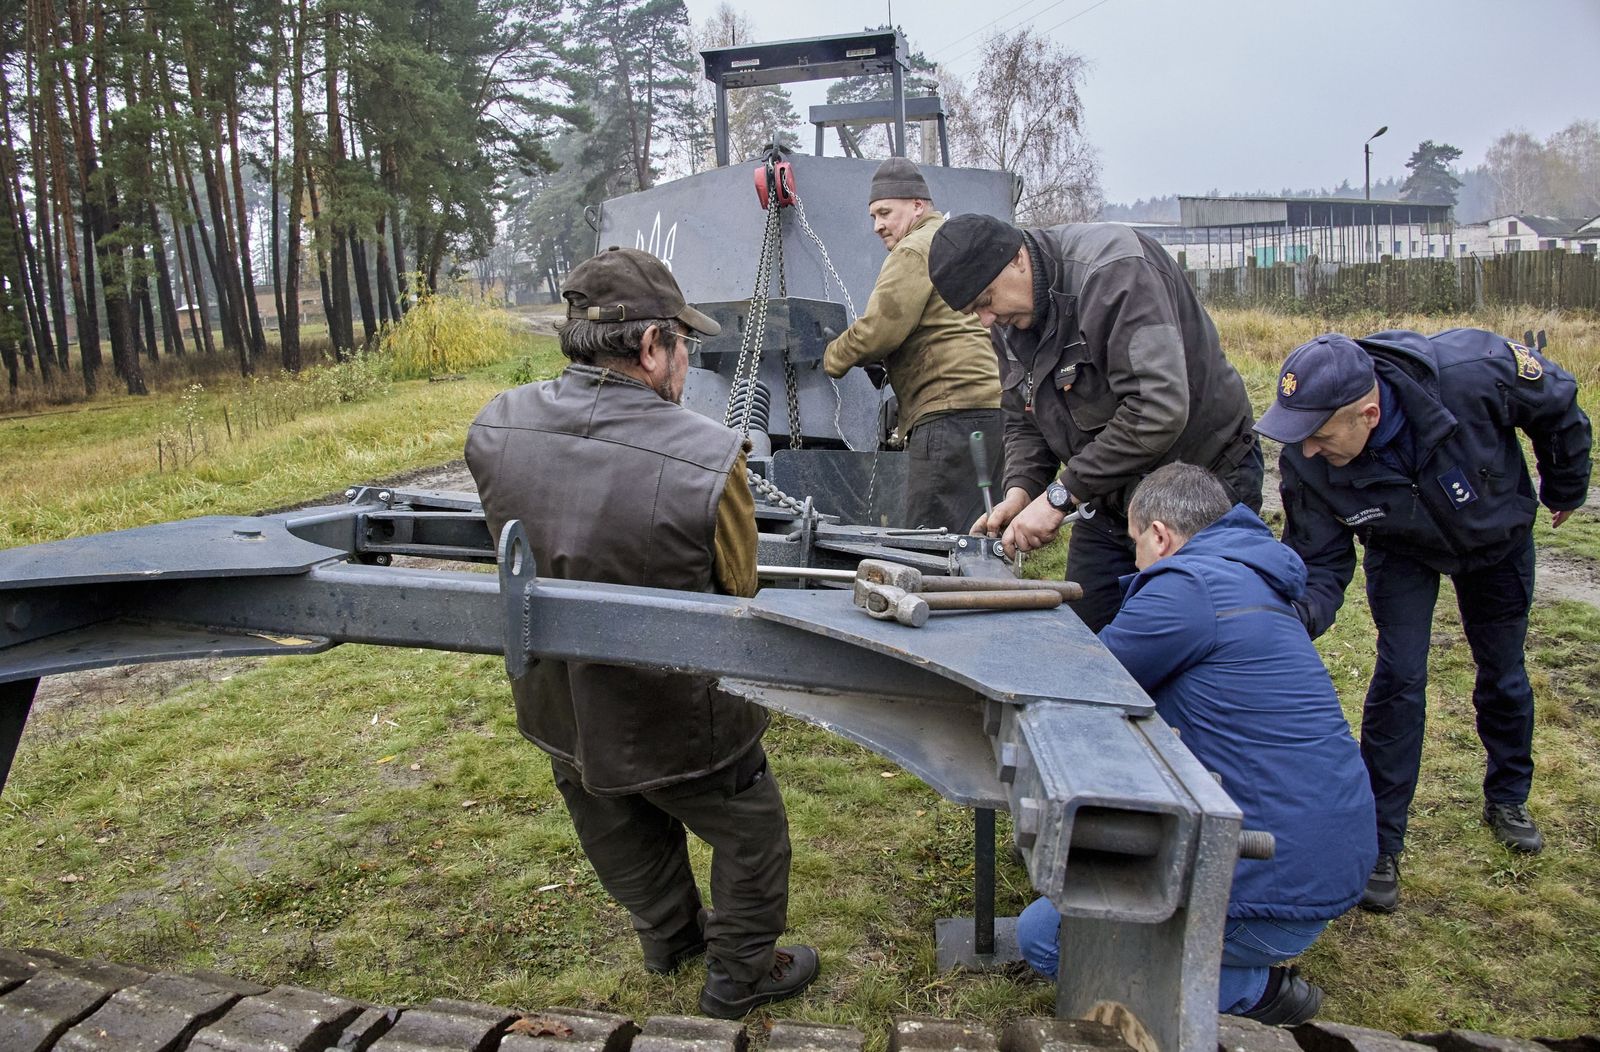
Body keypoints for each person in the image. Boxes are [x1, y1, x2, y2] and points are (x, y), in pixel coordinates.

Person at [464, 247, 818, 1019]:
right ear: (653, 347)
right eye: (684, 341)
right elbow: (740, 588)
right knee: (752, 833)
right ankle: (738, 979)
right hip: (682, 721)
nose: (687, 357)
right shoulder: (710, 457)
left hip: (558, 701)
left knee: (611, 815)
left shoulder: (494, 426)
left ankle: (668, 941)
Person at [1015, 463, 1375, 1027]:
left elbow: (1086, 681)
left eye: (1135, 543)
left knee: (1043, 938)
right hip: (1323, 859)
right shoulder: (1243, 574)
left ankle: (1252, 991)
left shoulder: (1187, 585)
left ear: (1159, 535)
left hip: (1278, 884)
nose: (1134, 559)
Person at [1255, 329, 1591, 913]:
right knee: (1400, 678)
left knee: (1503, 670)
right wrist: (1295, 618)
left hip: (1496, 539)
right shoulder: (1306, 463)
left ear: (1368, 411)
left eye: (1318, 435)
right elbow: (1321, 560)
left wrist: (1565, 483)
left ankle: (1508, 795)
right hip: (1401, 548)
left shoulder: (1472, 371)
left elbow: (1557, 401)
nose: (1306, 450)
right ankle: (1382, 844)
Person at [926, 213, 1262, 631]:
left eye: (985, 301)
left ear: (1016, 259)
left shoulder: (1116, 274)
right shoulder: (1011, 318)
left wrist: (1059, 497)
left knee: (1199, 640)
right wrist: (1021, 490)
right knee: (1089, 639)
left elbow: (1157, 411)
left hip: (1199, 485)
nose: (986, 320)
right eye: (973, 311)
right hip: (1109, 496)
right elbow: (1024, 417)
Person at [822, 157, 1005, 532]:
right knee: (977, 535)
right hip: (989, 411)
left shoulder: (913, 249)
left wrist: (830, 357)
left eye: (886, 212)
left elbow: (879, 329)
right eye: (873, 216)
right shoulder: (949, 240)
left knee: (930, 542)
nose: (878, 225)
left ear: (918, 205)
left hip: (948, 414)